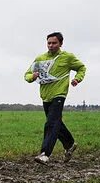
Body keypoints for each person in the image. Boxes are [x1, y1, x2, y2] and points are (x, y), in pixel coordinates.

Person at [24, 32, 86, 164]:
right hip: (46, 95)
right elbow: (27, 75)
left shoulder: (67, 57)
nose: (51, 45)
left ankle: (45, 154)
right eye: (49, 43)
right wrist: (32, 77)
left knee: (50, 123)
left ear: (61, 43)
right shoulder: (40, 58)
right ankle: (70, 144)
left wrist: (77, 79)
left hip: (59, 94)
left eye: (54, 43)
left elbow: (81, 68)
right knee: (56, 123)